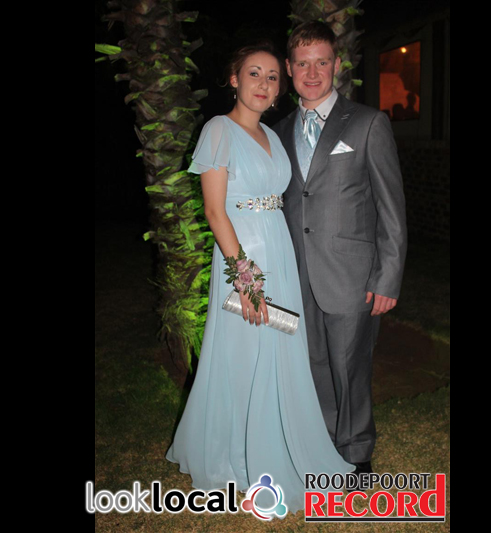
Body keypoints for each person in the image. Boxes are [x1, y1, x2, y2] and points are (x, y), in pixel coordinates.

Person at [166, 42, 354, 516]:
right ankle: (234, 458)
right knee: (243, 356)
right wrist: (246, 280)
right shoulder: (218, 130)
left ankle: (280, 443)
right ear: (234, 79)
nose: (264, 84)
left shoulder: (272, 133)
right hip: (243, 261)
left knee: (279, 350)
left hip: (280, 255)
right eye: (254, 73)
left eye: (272, 77)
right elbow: (215, 212)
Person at [273, 22, 408, 476]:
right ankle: (324, 447)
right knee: (313, 364)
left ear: (337, 64)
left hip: (352, 275)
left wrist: (388, 277)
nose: (312, 73)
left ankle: (356, 453)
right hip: (295, 274)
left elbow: (391, 207)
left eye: (322, 62)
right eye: (303, 64)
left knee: (350, 367)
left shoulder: (368, 123)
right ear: (289, 68)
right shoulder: (278, 132)